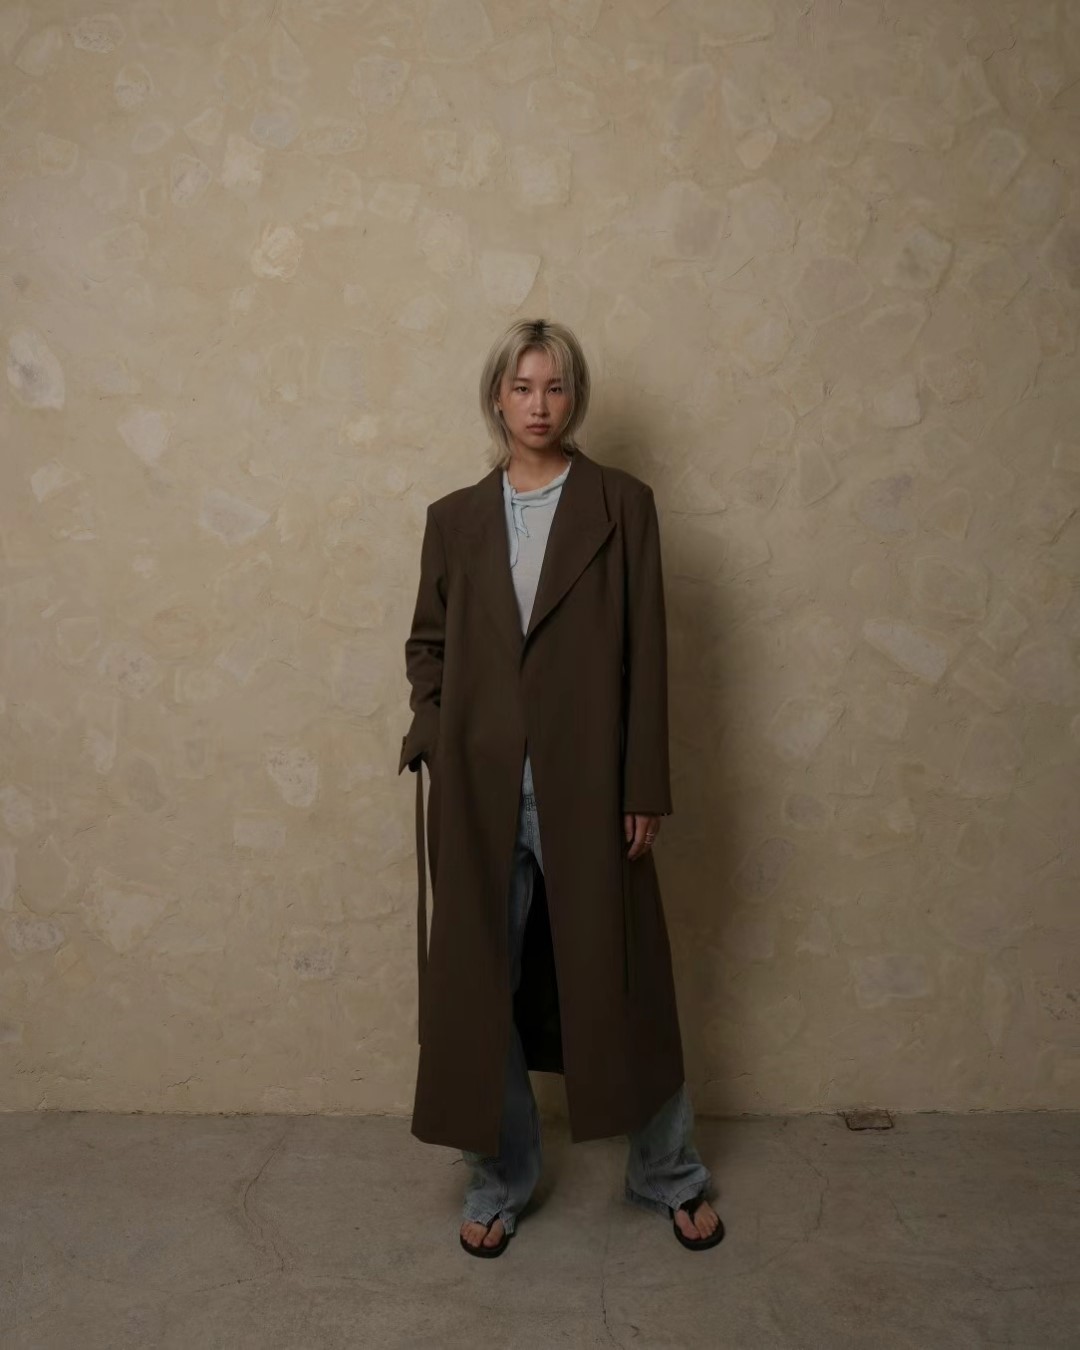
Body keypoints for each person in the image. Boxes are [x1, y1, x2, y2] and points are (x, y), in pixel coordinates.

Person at [399, 318, 723, 1257]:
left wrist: (642, 785)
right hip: (478, 790)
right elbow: (429, 645)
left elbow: (646, 654)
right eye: (521, 387)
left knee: (627, 981)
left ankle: (667, 1173)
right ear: (496, 397)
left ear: (574, 398)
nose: (538, 405)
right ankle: (498, 1180)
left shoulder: (623, 505)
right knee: (479, 987)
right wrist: (435, 736)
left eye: (554, 387)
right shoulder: (454, 518)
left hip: (588, 785)